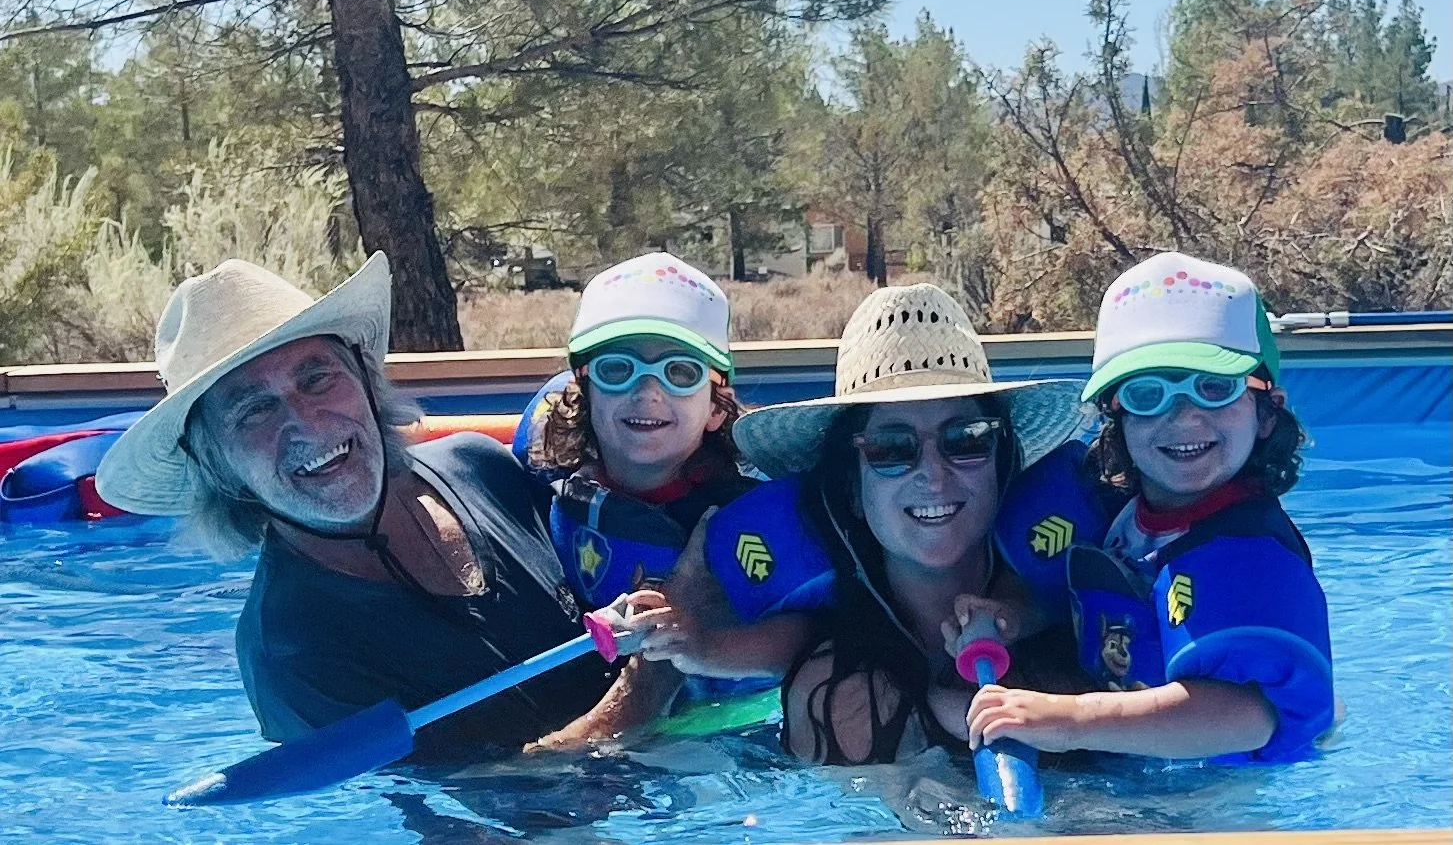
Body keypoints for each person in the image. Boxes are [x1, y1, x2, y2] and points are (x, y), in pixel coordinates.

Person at [95, 254, 654, 757]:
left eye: (317, 378)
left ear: (365, 376)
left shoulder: (482, 468)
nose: (304, 423)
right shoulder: (291, 654)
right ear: (213, 463)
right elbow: (508, 803)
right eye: (254, 411)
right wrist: (654, 675)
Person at [980, 252, 1334, 764]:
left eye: (1215, 388)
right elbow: (1113, 611)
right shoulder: (1121, 511)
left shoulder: (1250, 555)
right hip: (1135, 762)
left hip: (1214, 797)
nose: (1184, 418)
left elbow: (1248, 719)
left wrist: (1067, 721)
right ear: (1117, 417)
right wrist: (1012, 617)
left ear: (1265, 412)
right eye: (1148, 395)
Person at [729, 282, 1087, 764]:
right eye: (891, 450)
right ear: (853, 488)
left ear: (1001, 465)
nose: (934, 476)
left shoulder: (1085, 634)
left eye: (966, 439)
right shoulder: (838, 696)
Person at [525, 252, 820, 687]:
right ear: (584, 394)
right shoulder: (554, 481)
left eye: (679, 373)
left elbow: (814, 633)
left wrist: (704, 647)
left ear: (717, 408)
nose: (646, 392)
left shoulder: (746, 515)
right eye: (617, 369)